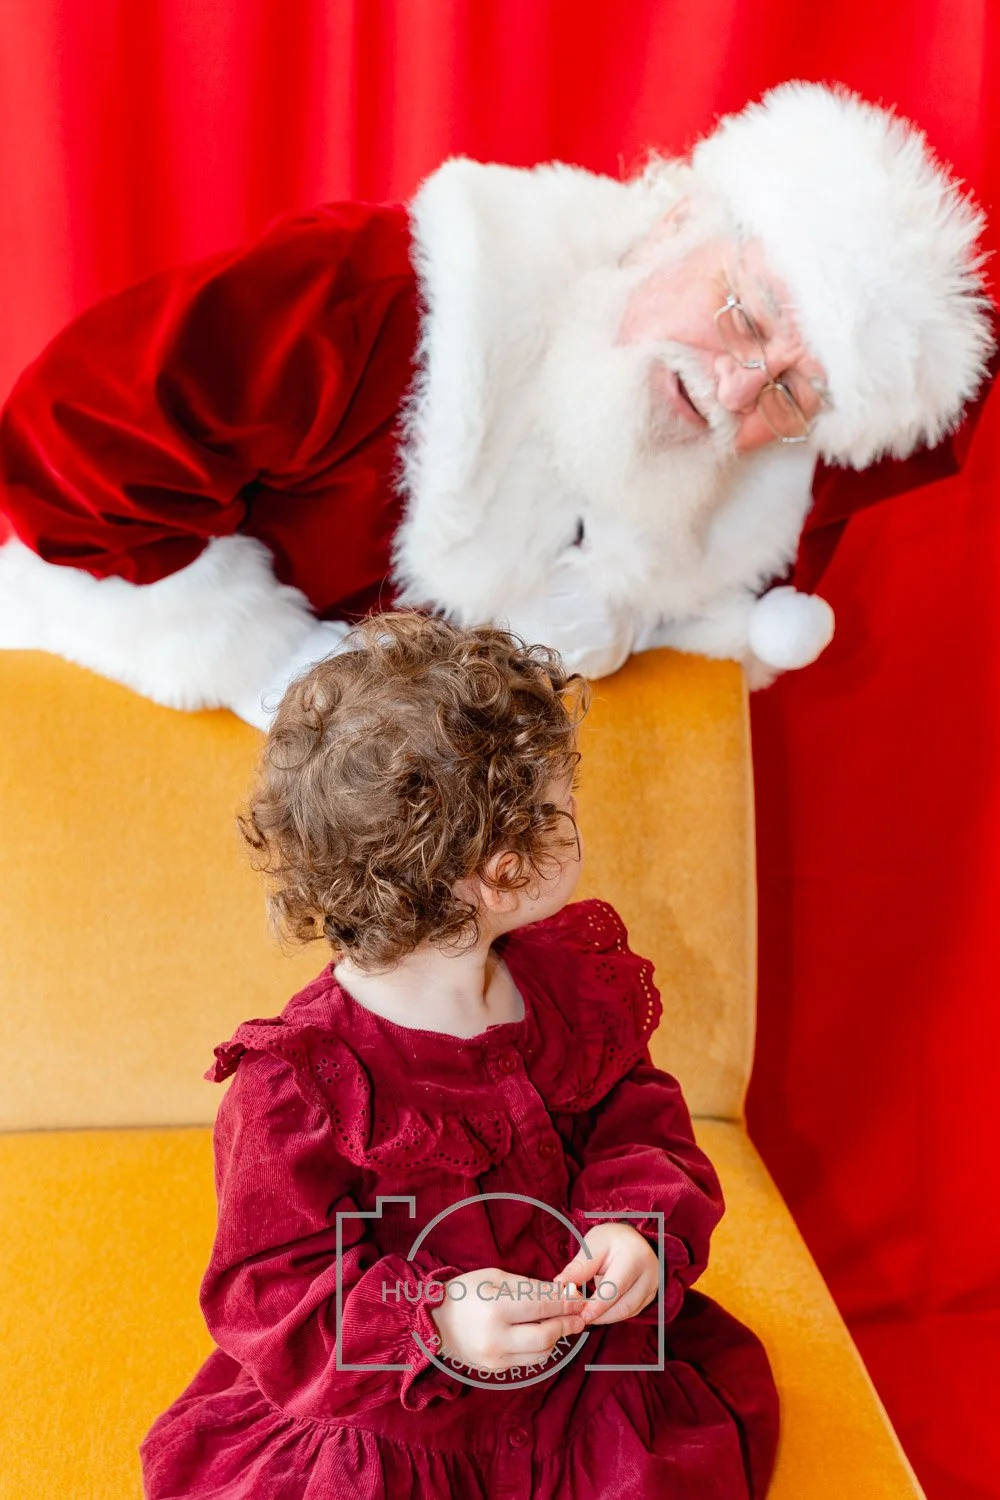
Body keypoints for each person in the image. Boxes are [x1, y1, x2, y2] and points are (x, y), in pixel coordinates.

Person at [0, 83, 993, 724]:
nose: (736, 386)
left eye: (788, 389)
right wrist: (277, 668)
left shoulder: (743, 491)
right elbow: (71, 449)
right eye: (744, 314)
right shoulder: (383, 299)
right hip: (102, 725)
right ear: (678, 220)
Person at [140, 611, 779, 1499]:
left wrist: (630, 1226)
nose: (575, 814)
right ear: (500, 869)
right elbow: (266, 1289)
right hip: (401, 1418)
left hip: (579, 1384)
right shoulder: (301, 1083)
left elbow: (640, 1121)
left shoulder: (560, 987)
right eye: (558, 804)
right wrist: (430, 1316)